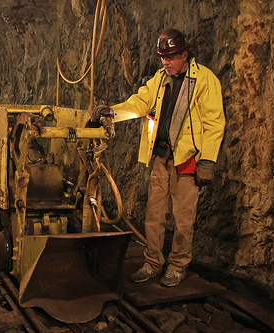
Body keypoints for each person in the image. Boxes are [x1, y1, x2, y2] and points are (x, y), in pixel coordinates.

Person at [94, 29, 225, 287]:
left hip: (187, 160)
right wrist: (112, 111)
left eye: (171, 56)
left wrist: (208, 161)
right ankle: (153, 262)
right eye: (163, 57)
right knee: (154, 215)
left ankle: (177, 265)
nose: (165, 61)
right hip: (161, 156)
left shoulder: (205, 80)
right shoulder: (160, 79)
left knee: (184, 219)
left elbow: (214, 123)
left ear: (184, 54)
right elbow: (140, 102)